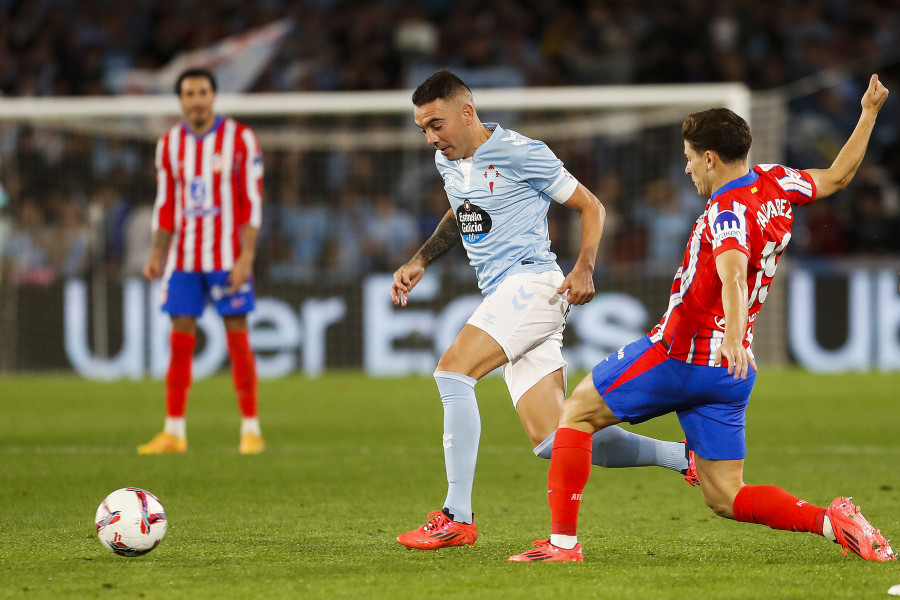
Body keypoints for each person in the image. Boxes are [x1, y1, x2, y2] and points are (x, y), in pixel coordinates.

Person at [509, 74, 895, 562]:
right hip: (729, 375)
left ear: (710, 158)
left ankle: (562, 543)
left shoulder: (724, 211)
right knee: (725, 496)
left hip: (679, 354)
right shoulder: (778, 181)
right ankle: (830, 521)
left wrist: (732, 333)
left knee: (577, 413)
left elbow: (732, 271)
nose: (687, 168)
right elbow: (838, 176)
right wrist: (868, 114)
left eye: (690, 158)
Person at [393, 69, 696, 551]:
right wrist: (420, 259)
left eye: (437, 124)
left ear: (466, 113)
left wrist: (584, 268)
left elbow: (591, 206)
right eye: (423, 129)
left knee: (453, 374)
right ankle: (683, 457)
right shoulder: (449, 162)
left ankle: (457, 516)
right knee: (553, 440)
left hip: (533, 284)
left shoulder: (520, 151)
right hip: (502, 293)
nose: (431, 138)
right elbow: (460, 212)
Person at [137, 67, 265, 456]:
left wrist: (246, 256)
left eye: (203, 92)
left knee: (237, 335)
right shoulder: (169, 144)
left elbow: (252, 201)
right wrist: (158, 252)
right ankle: (174, 431)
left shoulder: (240, 139)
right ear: (180, 100)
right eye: (189, 93)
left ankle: (251, 429)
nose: (196, 99)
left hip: (227, 257)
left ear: (213, 96)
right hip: (183, 258)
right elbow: (165, 205)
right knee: (180, 337)